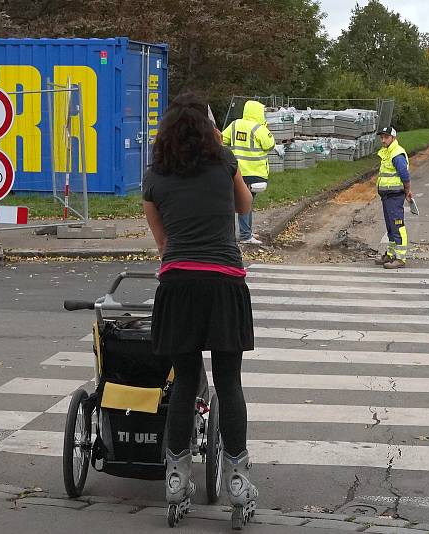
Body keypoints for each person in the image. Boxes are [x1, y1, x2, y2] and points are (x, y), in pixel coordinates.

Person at [142, 92, 258, 529]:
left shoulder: (154, 177)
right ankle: (238, 481)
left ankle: (175, 479)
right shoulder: (225, 163)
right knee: (229, 382)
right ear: (209, 126)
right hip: (225, 283)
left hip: (178, 284)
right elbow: (244, 207)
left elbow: (163, 243)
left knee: (185, 381)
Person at [222, 100, 276, 245]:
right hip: (254, 173)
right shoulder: (259, 128)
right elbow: (270, 145)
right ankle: (246, 235)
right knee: (246, 202)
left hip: (236, 172)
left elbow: (222, 140)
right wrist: (265, 128)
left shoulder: (235, 125)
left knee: (242, 202)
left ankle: (244, 232)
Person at [375, 126, 412, 269]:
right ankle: (390, 255)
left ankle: (401, 258)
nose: (383, 140)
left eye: (386, 137)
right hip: (387, 196)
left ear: (393, 138)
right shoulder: (387, 152)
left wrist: (408, 190)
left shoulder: (396, 153)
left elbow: (404, 175)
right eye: (382, 137)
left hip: (395, 196)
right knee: (390, 227)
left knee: (397, 226)